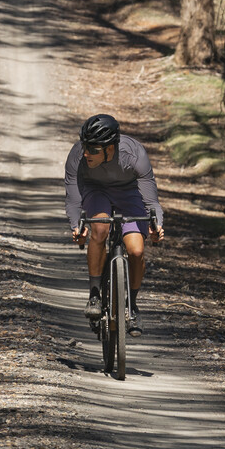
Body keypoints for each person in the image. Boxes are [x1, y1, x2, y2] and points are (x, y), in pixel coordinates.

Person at [65, 113, 163, 334]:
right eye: (85, 146)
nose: (87, 153)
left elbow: (151, 199)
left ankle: (133, 306)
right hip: (94, 190)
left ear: (111, 148)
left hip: (129, 193)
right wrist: (77, 227)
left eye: (94, 149)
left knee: (136, 250)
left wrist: (156, 225)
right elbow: (73, 198)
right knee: (99, 229)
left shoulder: (134, 154)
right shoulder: (77, 156)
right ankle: (94, 295)